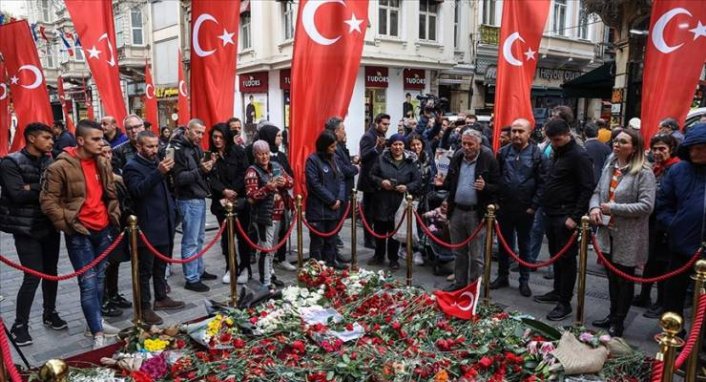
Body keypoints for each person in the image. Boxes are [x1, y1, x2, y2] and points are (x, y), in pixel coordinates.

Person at [40, 119, 121, 349]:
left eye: (102, 137)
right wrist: (69, 224)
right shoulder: (59, 166)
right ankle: (97, 333)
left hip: (103, 228)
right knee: (88, 282)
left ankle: (94, 322)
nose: (101, 142)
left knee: (100, 280)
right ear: (81, 140)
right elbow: (48, 202)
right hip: (80, 232)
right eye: (96, 139)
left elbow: (110, 192)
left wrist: (113, 213)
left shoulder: (102, 162)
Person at [0, 123, 67, 347]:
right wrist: (43, 188)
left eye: (52, 138)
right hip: (26, 229)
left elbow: (60, 189)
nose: (51, 141)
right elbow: (16, 194)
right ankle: (20, 325)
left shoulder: (52, 159)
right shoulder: (11, 162)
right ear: (31, 138)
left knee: (51, 273)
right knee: (32, 276)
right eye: (46, 137)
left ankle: (50, 313)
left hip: (49, 225)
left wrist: (32, 187)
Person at [589, 129, 656, 336]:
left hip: (629, 235)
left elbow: (646, 206)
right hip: (606, 231)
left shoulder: (644, 172)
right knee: (611, 277)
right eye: (616, 141)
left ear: (634, 147)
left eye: (623, 142)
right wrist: (594, 208)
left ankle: (619, 321)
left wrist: (613, 208)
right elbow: (598, 192)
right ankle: (612, 314)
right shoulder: (610, 165)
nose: (617, 145)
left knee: (624, 280)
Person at [532, 119, 595, 321]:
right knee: (556, 257)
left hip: (565, 215)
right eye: (551, 140)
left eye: (557, 139)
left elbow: (587, 187)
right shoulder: (557, 152)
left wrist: (575, 217)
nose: (554, 143)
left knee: (567, 260)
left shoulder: (579, 155)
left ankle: (564, 302)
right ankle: (557, 292)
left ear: (568, 134)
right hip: (551, 212)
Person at [123, 131, 185, 326]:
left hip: (165, 222)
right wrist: (158, 172)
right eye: (149, 146)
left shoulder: (158, 161)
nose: (154, 149)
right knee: (145, 269)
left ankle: (161, 297)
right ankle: (144, 307)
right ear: (139, 147)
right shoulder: (132, 166)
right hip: (147, 226)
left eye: (155, 145)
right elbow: (137, 191)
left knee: (161, 265)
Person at [657, 123, 706, 330]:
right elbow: (663, 204)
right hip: (681, 246)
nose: (695, 152)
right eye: (692, 148)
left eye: (701, 148)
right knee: (673, 297)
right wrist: (674, 225)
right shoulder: (679, 170)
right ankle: (673, 339)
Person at [439, 129, 499, 291]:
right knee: (458, 252)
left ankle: (474, 286)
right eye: (463, 143)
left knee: (476, 255)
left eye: (470, 144)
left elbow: (499, 187)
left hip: (476, 213)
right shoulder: (458, 156)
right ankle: (459, 283)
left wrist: (486, 187)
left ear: (478, 144)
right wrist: (442, 185)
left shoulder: (488, 158)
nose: (466, 147)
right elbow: (451, 182)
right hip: (457, 210)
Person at [491, 118, 545, 298]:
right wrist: (496, 201)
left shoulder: (537, 154)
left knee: (525, 245)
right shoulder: (503, 152)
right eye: (514, 131)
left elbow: (542, 183)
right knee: (504, 244)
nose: (516, 135)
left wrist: (533, 206)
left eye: (520, 131)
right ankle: (502, 276)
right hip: (504, 207)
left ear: (529, 133)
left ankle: (524, 281)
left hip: (525, 209)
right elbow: (496, 178)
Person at [633, 134, 680, 318]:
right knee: (650, 261)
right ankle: (645, 296)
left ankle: (662, 302)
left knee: (663, 265)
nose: (658, 152)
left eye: (662, 149)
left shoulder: (676, 169)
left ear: (671, 149)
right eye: (655, 149)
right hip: (652, 223)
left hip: (666, 226)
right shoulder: (656, 168)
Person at [171, 118, 218, 292]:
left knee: (198, 238)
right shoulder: (177, 150)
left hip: (198, 196)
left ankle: (198, 270)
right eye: (197, 132)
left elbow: (200, 172)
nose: (200, 136)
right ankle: (191, 278)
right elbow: (180, 179)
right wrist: (202, 170)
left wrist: (209, 166)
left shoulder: (196, 147)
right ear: (187, 130)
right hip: (187, 198)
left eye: (202, 133)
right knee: (190, 240)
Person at [245, 140, 294, 291]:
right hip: (264, 216)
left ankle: (270, 274)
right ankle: (264, 281)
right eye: (260, 154)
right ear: (255, 155)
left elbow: (291, 181)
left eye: (266, 153)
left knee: (273, 248)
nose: (264, 157)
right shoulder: (252, 171)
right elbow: (251, 197)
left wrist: (284, 182)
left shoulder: (276, 166)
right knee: (265, 249)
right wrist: (267, 188)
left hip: (281, 213)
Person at [368, 134, 422, 270]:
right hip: (382, 200)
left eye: (400, 145)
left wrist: (407, 187)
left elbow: (417, 181)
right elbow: (371, 176)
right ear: (390, 145)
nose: (398, 147)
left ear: (404, 146)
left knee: (395, 232)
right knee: (380, 230)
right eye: (395, 144)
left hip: (399, 203)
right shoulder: (381, 159)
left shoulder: (410, 162)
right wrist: (381, 182)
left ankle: (393, 259)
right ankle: (378, 255)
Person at [207, 123, 251, 284]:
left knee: (242, 236)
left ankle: (245, 267)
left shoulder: (238, 151)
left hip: (239, 199)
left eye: (221, 137)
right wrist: (224, 191)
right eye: (215, 137)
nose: (218, 140)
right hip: (221, 201)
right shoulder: (210, 155)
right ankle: (230, 266)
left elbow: (244, 173)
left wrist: (233, 191)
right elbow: (209, 178)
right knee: (226, 237)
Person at [255, 123, 296, 272]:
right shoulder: (258, 156)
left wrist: (286, 181)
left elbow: (290, 175)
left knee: (283, 229)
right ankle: (267, 265)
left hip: (282, 200)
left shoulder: (281, 155)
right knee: (267, 236)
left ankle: (282, 257)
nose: (280, 138)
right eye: (278, 136)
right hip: (266, 203)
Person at [305, 131, 347, 269]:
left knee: (331, 240)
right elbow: (314, 184)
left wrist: (339, 199)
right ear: (324, 146)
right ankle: (316, 269)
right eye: (332, 147)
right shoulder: (312, 160)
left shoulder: (334, 158)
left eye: (335, 146)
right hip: (319, 209)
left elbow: (341, 179)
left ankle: (331, 264)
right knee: (318, 242)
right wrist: (331, 200)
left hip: (334, 208)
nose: (334, 149)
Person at [358, 113, 391, 249]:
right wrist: (376, 148)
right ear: (376, 123)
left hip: (379, 179)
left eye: (388, 124)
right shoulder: (368, 136)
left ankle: (375, 237)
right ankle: (368, 239)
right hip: (368, 181)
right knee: (369, 212)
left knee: (377, 211)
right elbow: (363, 157)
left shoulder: (380, 136)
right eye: (384, 124)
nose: (386, 127)